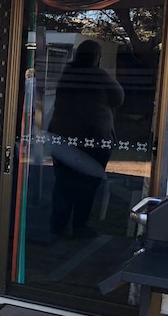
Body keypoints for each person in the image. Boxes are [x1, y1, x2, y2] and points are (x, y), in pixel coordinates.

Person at [47, 39, 124, 239]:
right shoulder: (97, 75)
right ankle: (79, 226)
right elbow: (119, 97)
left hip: (64, 139)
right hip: (92, 139)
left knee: (64, 183)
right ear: (96, 58)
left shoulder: (67, 74)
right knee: (87, 184)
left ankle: (59, 225)